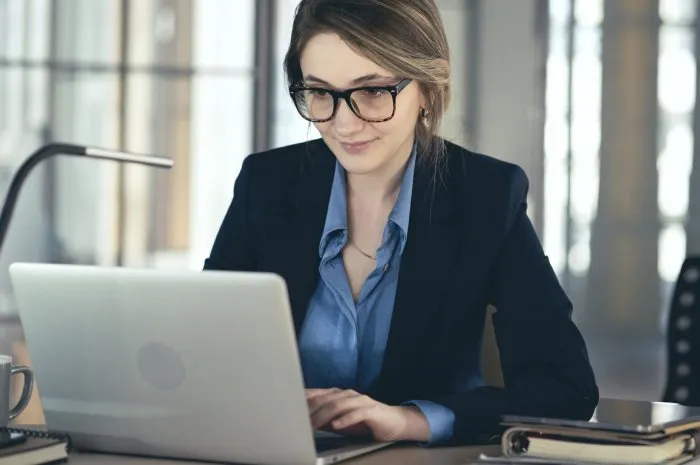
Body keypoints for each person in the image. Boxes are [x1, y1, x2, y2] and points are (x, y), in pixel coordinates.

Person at [204, 0, 598, 446]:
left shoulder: (485, 197)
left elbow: (566, 389)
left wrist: (410, 421)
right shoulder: (267, 184)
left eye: (372, 91)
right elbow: (203, 355)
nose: (345, 123)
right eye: (319, 92)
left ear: (427, 89)